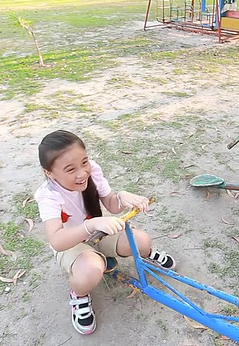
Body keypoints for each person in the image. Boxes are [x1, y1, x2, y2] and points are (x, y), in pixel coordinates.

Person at [34, 130, 176, 335]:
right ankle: (79, 294)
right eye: (70, 169)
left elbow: (110, 203)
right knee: (91, 270)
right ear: (50, 172)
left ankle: (145, 256)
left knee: (142, 242)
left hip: (98, 231)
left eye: (84, 162)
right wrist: (90, 226)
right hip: (72, 243)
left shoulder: (93, 171)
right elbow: (57, 240)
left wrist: (122, 197)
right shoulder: (48, 195)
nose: (82, 172)